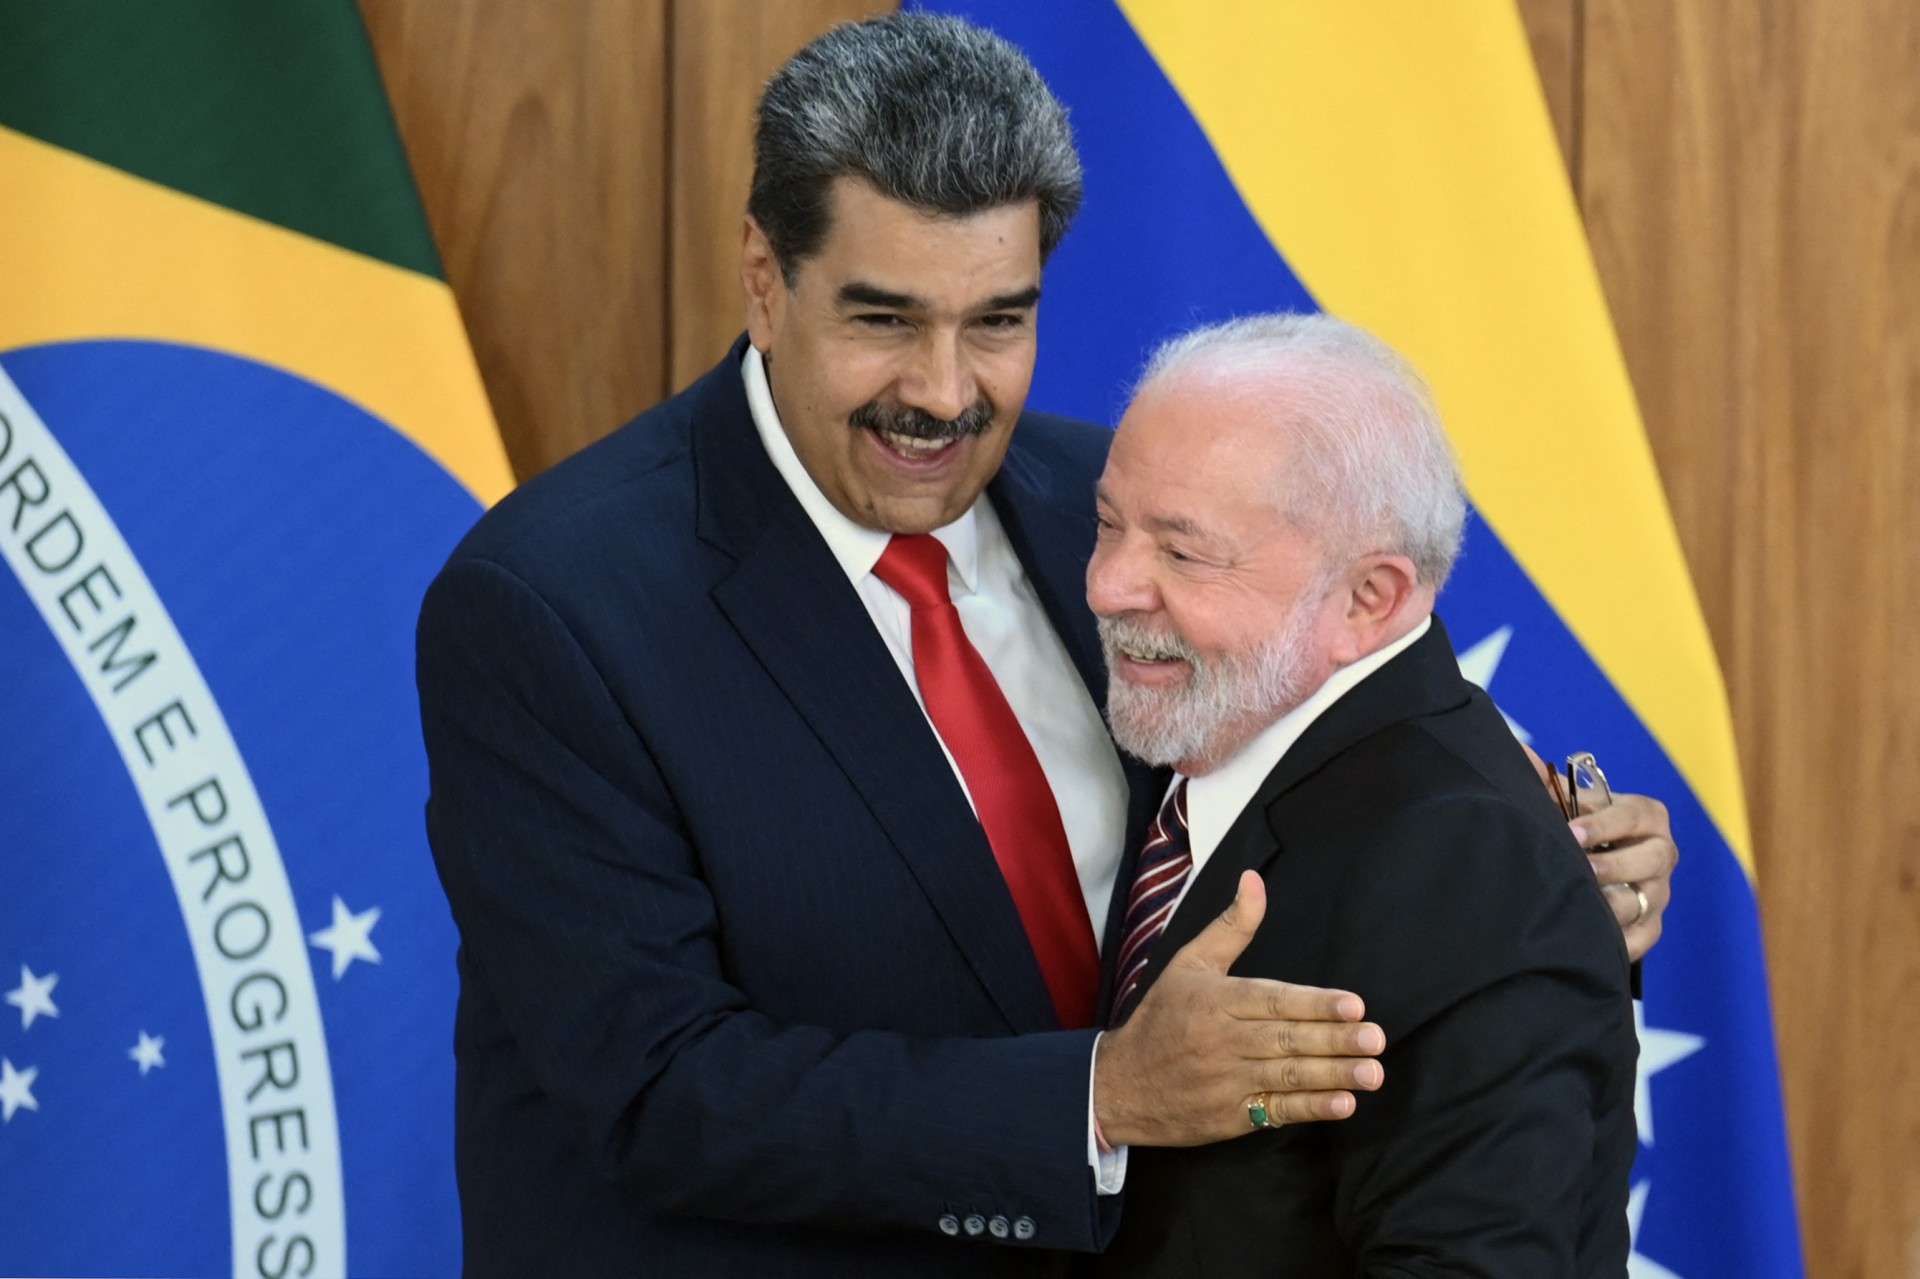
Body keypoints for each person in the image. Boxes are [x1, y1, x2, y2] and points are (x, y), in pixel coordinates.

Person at [415, 14, 1671, 1276]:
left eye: (999, 321)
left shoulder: (1114, 503)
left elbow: (1357, 715)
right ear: (763, 274)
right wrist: (1100, 1100)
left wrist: (1536, 859)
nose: (946, 393)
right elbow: (657, 1088)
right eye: (885, 320)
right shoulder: (550, 604)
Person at [1085, 313, 1636, 1276]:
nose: (1108, 584)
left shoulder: (1464, 863)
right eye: (1106, 524)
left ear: (1369, 599)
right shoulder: (1209, 726)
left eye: (1184, 553)